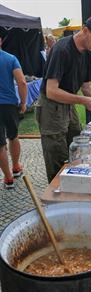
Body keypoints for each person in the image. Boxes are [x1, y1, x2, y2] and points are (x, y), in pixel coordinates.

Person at [36, 15, 91, 183]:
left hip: (68, 103)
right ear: (85, 30)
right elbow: (51, 91)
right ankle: (57, 200)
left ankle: (76, 187)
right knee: (57, 155)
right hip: (51, 107)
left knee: (78, 146)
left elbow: (86, 86)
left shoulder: (88, 52)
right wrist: (83, 101)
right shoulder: (61, 49)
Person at [0, 37, 27, 189]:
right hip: (9, 105)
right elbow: (22, 82)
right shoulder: (10, 59)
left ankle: (8, 179)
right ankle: (16, 167)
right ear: (0, 41)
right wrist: (23, 103)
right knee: (13, 136)